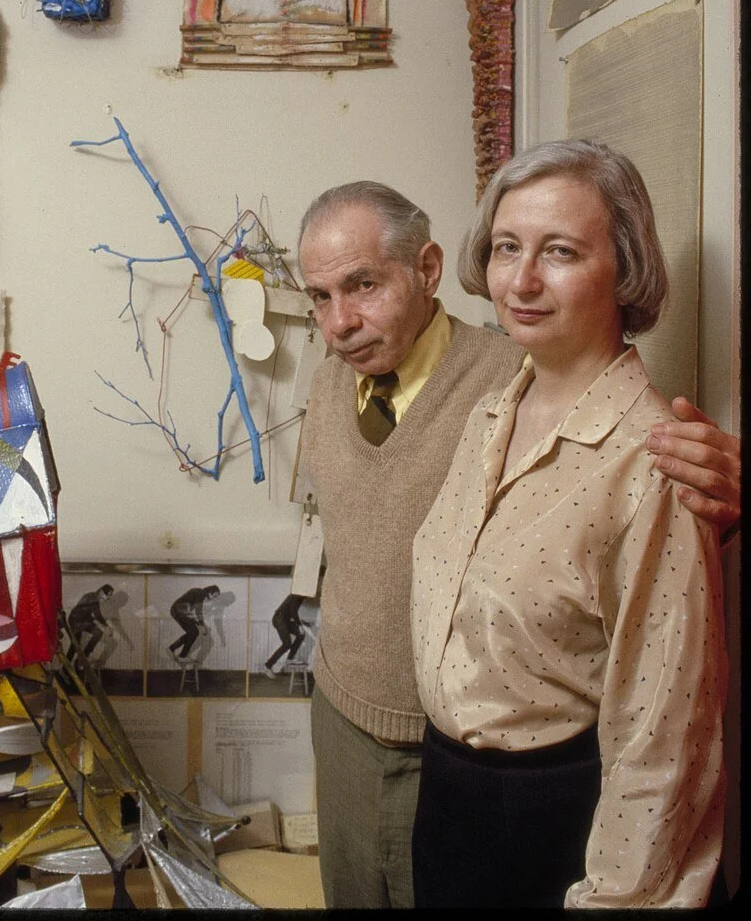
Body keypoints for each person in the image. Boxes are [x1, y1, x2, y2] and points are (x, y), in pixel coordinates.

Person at [296, 179, 739, 910]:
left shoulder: (509, 373)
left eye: (364, 285)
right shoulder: (467, 407)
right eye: (319, 297)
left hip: (488, 770)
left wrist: (722, 501)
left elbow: (660, 719)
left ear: (429, 270)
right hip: (350, 720)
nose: (340, 322)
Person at [410, 140, 726, 906]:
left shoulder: (653, 462)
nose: (520, 280)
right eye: (508, 248)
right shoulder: (491, 413)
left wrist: (615, 896)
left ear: (626, 269)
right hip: (449, 798)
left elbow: (664, 738)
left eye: (559, 252)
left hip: (554, 824)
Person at [168, 584, 220, 661]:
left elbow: (194, 611)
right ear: (210, 592)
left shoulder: (199, 593)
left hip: (178, 610)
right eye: (214, 596)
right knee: (194, 632)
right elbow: (198, 611)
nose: (213, 598)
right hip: (178, 610)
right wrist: (203, 625)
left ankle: (174, 650)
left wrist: (200, 623)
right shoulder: (201, 593)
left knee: (192, 632)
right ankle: (181, 655)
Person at [264, 592, 308, 675]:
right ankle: (268, 666)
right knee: (287, 644)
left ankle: (290, 659)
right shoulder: (296, 595)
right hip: (279, 619)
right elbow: (293, 612)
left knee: (301, 634)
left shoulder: (300, 597)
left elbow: (291, 613)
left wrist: (303, 623)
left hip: (285, 620)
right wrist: (299, 625)